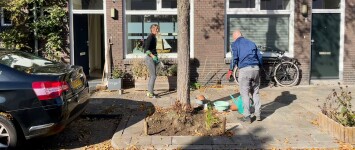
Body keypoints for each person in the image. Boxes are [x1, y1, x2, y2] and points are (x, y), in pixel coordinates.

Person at [226, 29, 263, 123]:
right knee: (255, 92)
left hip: (245, 70)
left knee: (245, 93)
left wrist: (230, 70)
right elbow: (260, 57)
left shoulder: (235, 44)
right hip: (256, 69)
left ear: (235, 37)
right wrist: (260, 67)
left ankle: (247, 116)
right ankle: (258, 114)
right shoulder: (251, 43)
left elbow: (234, 58)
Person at [144, 24, 160, 98]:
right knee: (153, 76)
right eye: (156, 29)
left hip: (153, 58)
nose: (157, 30)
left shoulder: (154, 37)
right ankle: (150, 93)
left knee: (153, 76)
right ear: (152, 29)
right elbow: (146, 50)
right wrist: (153, 56)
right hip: (149, 58)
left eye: (158, 29)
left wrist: (156, 57)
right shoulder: (150, 37)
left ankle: (150, 92)